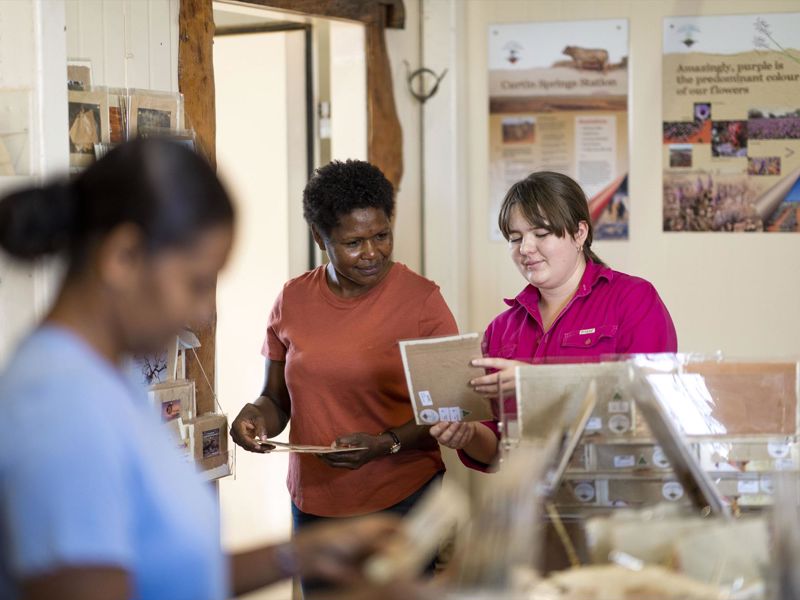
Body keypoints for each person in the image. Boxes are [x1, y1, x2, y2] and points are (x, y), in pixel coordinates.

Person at [0, 139, 412, 600]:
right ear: (123, 258)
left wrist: (301, 555)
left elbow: (155, 574)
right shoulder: (58, 403)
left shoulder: (104, 379)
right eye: (196, 284)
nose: (201, 312)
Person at [230, 160, 458, 590]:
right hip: (316, 505)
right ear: (320, 237)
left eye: (381, 235)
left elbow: (450, 409)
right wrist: (254, 418)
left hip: (402, 500)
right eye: (354, 242)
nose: (372, 253)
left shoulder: (423, 302)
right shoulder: (293, 299)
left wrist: (384, 444)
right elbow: (276, 401)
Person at [430, 171, 677, 470]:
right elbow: (496, 452)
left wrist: (538, 382)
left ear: (579, 233)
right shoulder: (501, 329)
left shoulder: (633, 299)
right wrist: (469, 434)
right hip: (530, 505)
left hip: (616, 495)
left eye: (541, 234)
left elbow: (649, 404)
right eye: (515, 238)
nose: (525, 249)